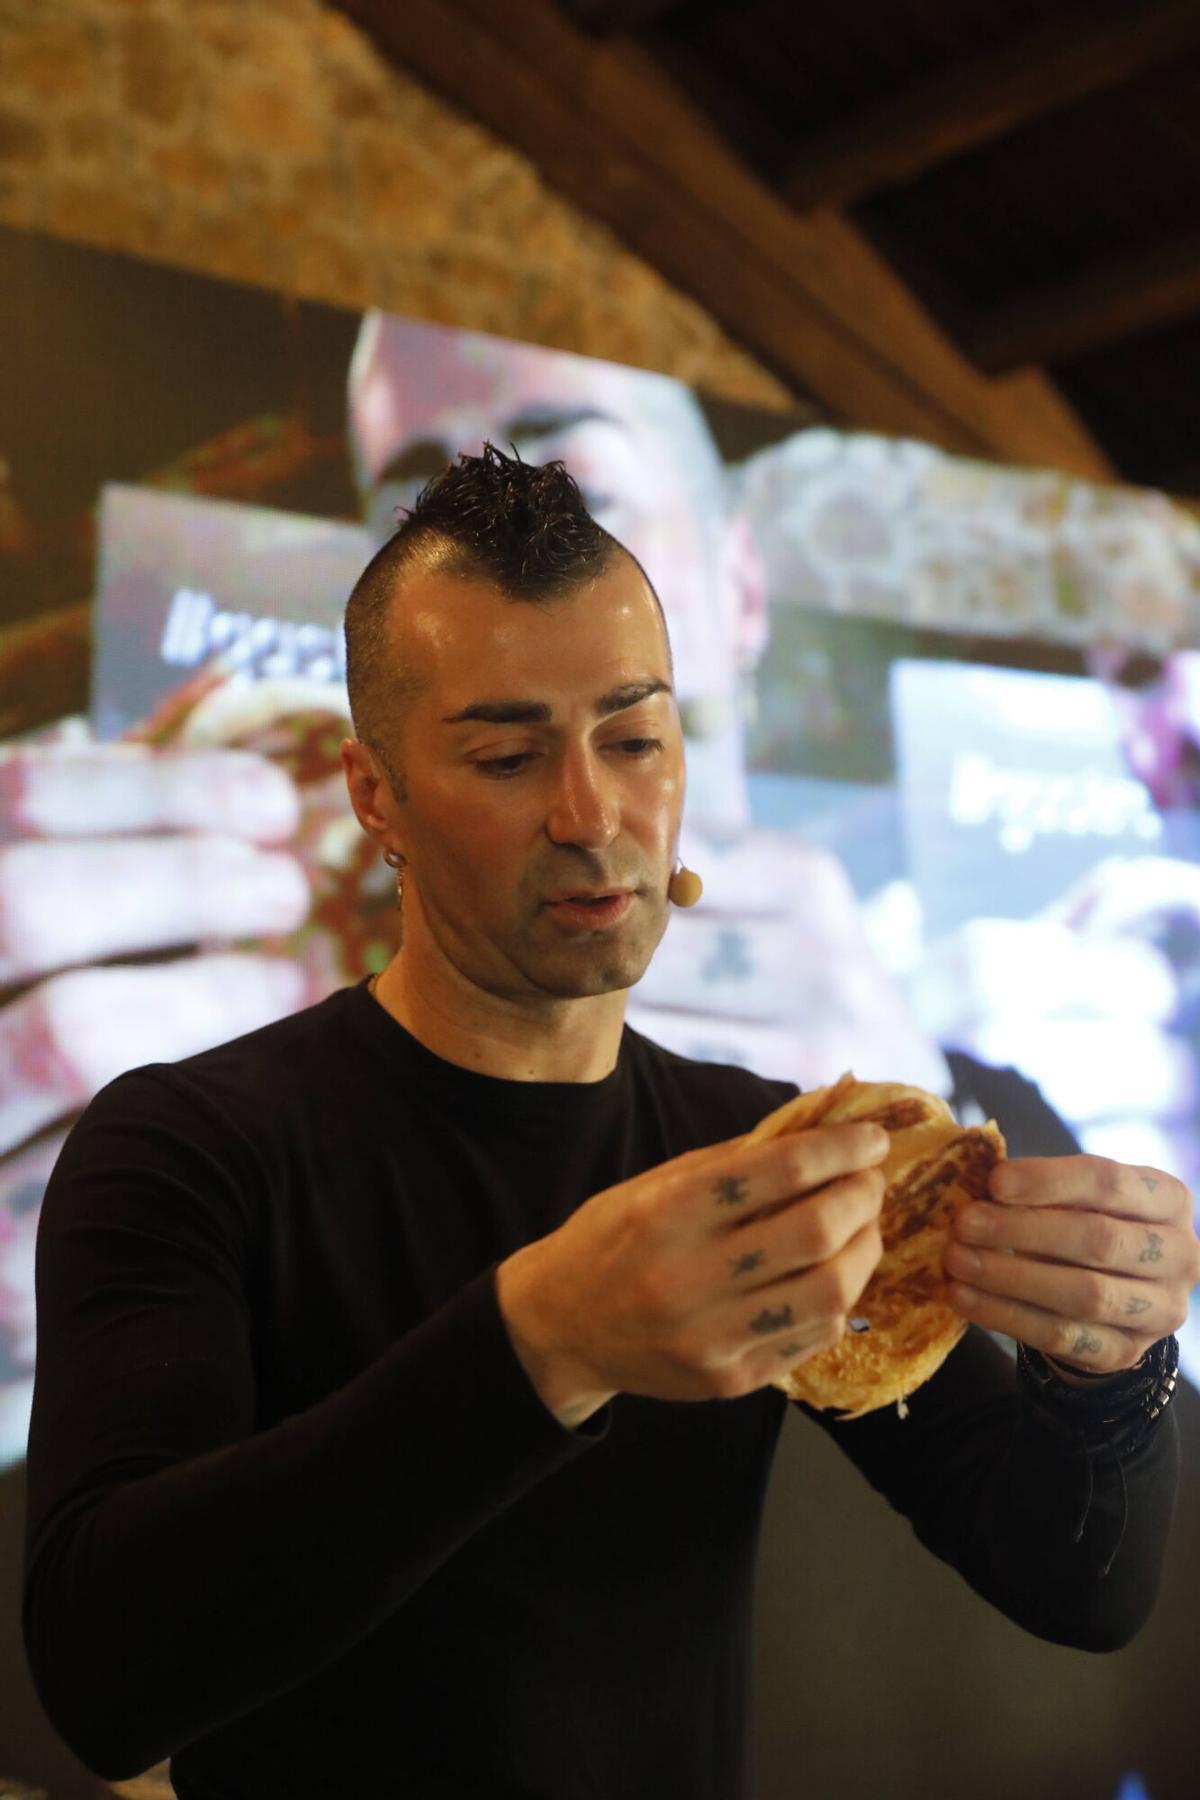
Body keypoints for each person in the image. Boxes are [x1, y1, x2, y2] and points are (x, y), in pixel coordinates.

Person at [23, 449, 1198, 1797]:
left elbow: (1073, 1580)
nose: (593, 816)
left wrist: (1104, 1366)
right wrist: (545, 1341)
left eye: (635, 739)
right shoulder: (190, 1148)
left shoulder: (761, 1151)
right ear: (373, 796)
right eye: (510, 755)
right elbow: (106, 1680)